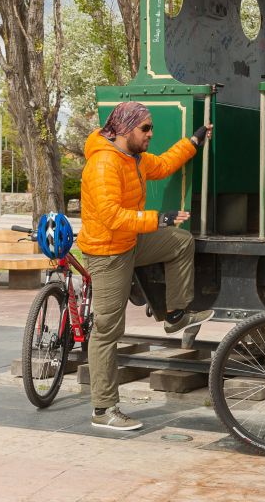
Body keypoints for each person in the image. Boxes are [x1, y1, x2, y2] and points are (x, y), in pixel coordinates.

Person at [78, 100, 214, 431]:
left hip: (128, 242)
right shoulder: (104, 165)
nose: (151, 134)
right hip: (107, 253)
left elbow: (165, 164)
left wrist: (193, 141)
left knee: (180, 241)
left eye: (151, 128)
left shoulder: (133, 159)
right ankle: (103, 409)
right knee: (108, 331)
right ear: (125, 129)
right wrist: (158, 218)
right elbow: (111, 216)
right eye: (146, 128)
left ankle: (175, 315)